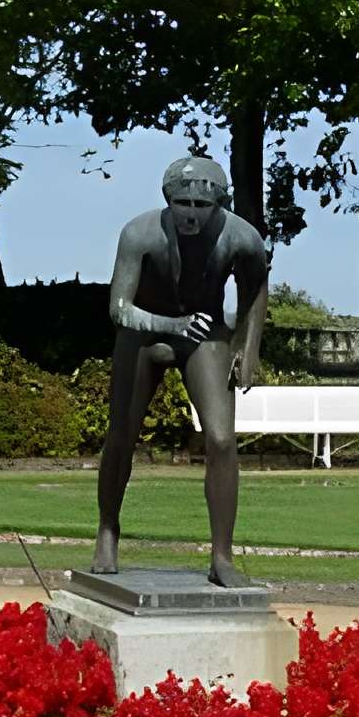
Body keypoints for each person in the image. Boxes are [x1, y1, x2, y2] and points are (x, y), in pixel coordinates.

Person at [93, 153, 272, 583]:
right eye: (183, 205)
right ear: (168, 200)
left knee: (222, 438)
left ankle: (222, 556)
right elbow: (119, 309)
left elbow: (255, 289)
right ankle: (107, 529)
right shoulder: (139, 233)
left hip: (205, 331)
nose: (191, 215)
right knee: (121, 434)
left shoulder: (242, 238)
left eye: (202, 206)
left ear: (220, 205)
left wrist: (247, 350)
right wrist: (171, 325)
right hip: (145, 332)